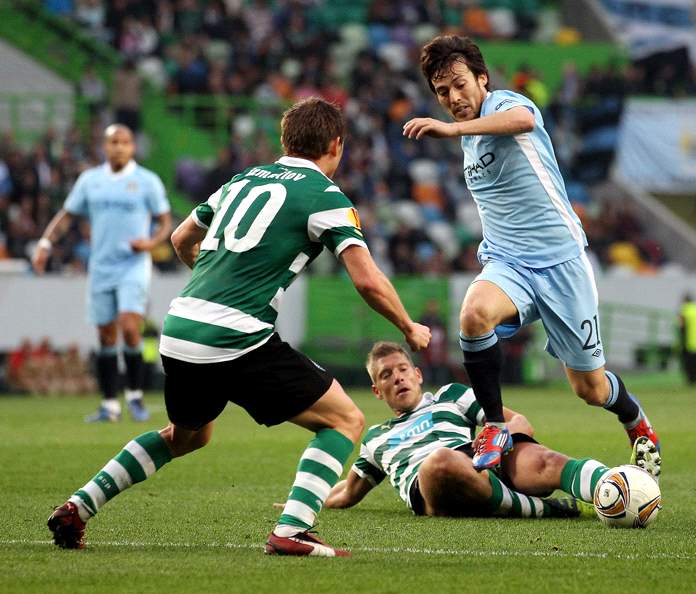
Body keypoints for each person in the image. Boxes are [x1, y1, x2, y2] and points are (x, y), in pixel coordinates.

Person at [46, 97, 431, 557]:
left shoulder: (242, 180)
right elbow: (367, 280)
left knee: (188, 435)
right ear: (335, 145)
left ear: (285, 141)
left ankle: (78, 506)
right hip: (237, 335)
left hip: (181, 325)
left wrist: (214, 285)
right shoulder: (326, 196)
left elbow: (180, 238)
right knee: (345, 420)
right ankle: (292, 529)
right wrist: (408, 326)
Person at [402, 35, 660, 470]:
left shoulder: (505, 103)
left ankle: (634, 418)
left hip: (562, 263)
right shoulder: (469, 141)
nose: (454, 98)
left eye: (460, 84)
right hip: (509, 263)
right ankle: (494, 424)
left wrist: (453, 127)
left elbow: (521, 121)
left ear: (482, 79)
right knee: (472, 314)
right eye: (443, 92)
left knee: (589, 390)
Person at [324, 342, 661, 519]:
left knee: (542, 460)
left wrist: (504, 440)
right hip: (432, 484)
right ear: (377, 391)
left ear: (417, 374)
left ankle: (617, 487)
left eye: (401, 370)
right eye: (386, 375)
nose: (397, 377)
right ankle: (548, 509)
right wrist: (308, 498)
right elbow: (347, 493)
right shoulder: (375, 440)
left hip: (480, 461)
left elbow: (518, 421)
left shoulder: (450, 396)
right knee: (440, 463)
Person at [32, 124, 171, 423]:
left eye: (124, 142)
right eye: (113, 142)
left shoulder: (147, 181)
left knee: (130, 327)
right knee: (106, 334)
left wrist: (150, 242)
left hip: (133, 265)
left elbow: (164, 221)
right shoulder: (90, 180)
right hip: (101, 266)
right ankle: (110, 405)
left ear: (132, 147)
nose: (118, 147)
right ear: (104, 147)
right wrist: (45, 243)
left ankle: (134, 395)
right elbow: (68, 214)